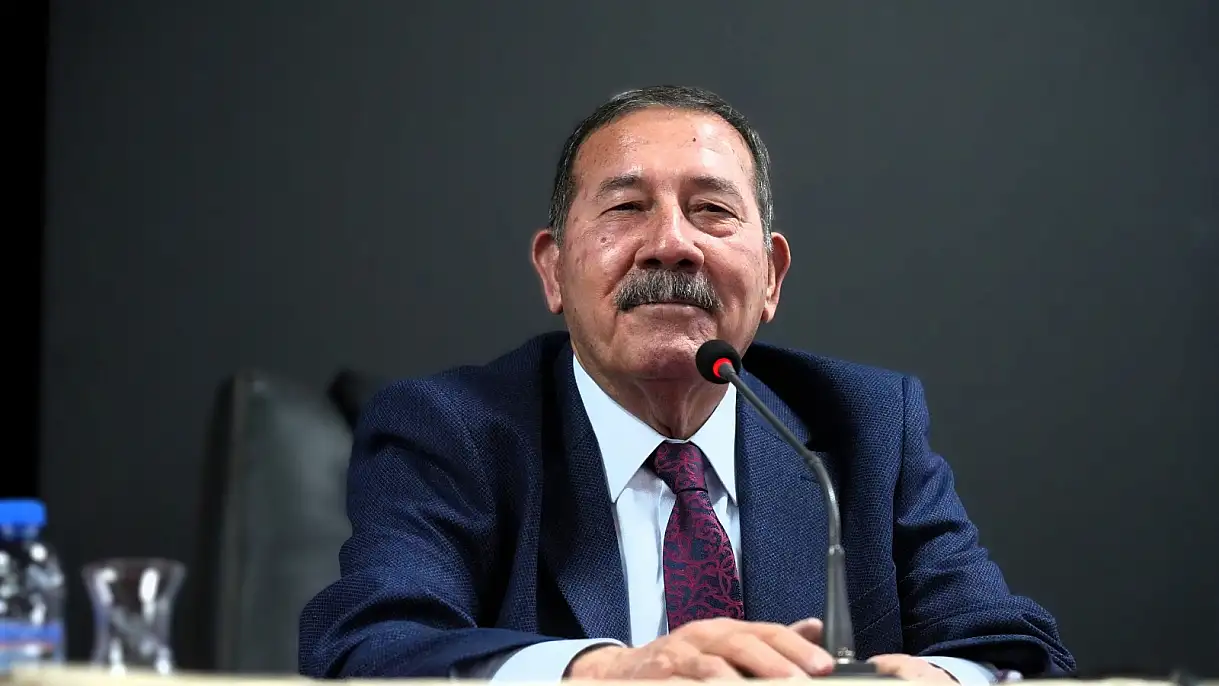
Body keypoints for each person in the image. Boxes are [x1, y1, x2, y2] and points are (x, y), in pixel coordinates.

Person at [298, 85, 1074, 682]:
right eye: (626, 206)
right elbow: (368, 646)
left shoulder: (863, 428)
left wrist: (939, 679)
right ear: (553, 270)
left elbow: (1014, 650)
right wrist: (603, 672)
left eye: (709, 210)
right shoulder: (450, 429)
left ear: (770, 278)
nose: (670, 243)